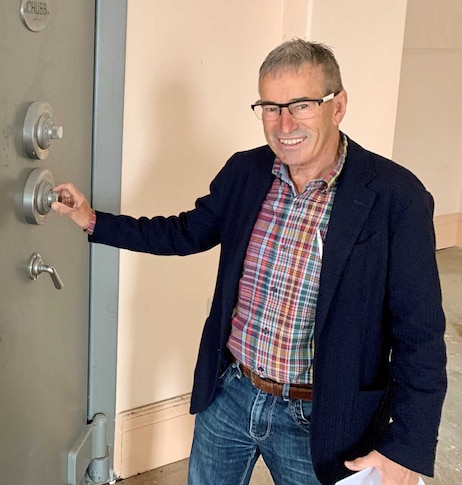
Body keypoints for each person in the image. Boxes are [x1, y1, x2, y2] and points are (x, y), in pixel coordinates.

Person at [52, 39, 447, 485]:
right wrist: (92, 221)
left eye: (301, 104)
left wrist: (406, 450)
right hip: (232, 395)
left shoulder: (396, 198)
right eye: (270, 107)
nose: (284, 123)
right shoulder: (246, 172)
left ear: (337, 107)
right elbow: (184, 231)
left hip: (323, 418)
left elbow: (420, 337)